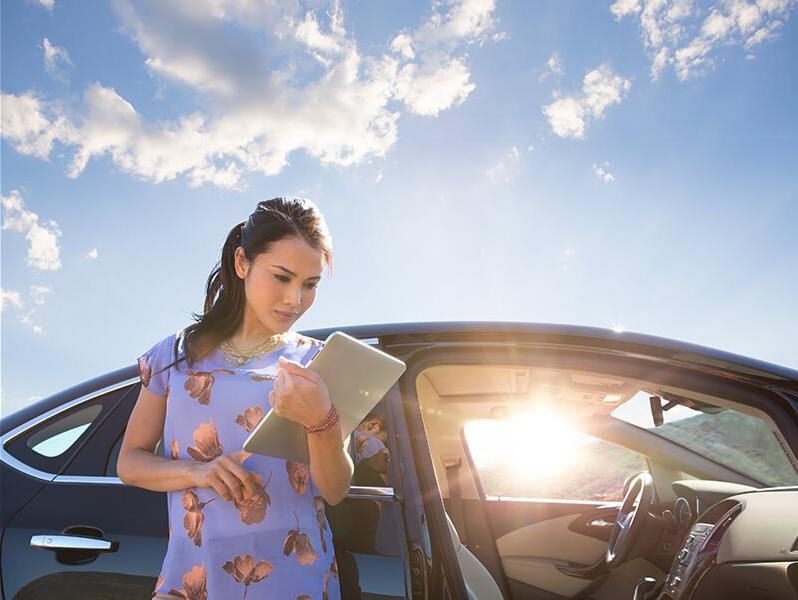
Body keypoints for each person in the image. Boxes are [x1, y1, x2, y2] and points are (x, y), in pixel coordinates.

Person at [117, 197, 352, 600]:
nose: (295, 300)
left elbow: (334, 489)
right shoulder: (172, 356)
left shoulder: (319, 362)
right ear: (242, 263)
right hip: (195, 574)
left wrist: (321, 420)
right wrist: (198, 472)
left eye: (309, 285)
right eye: (282, 277)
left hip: (295, 581)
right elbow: (130, 463)